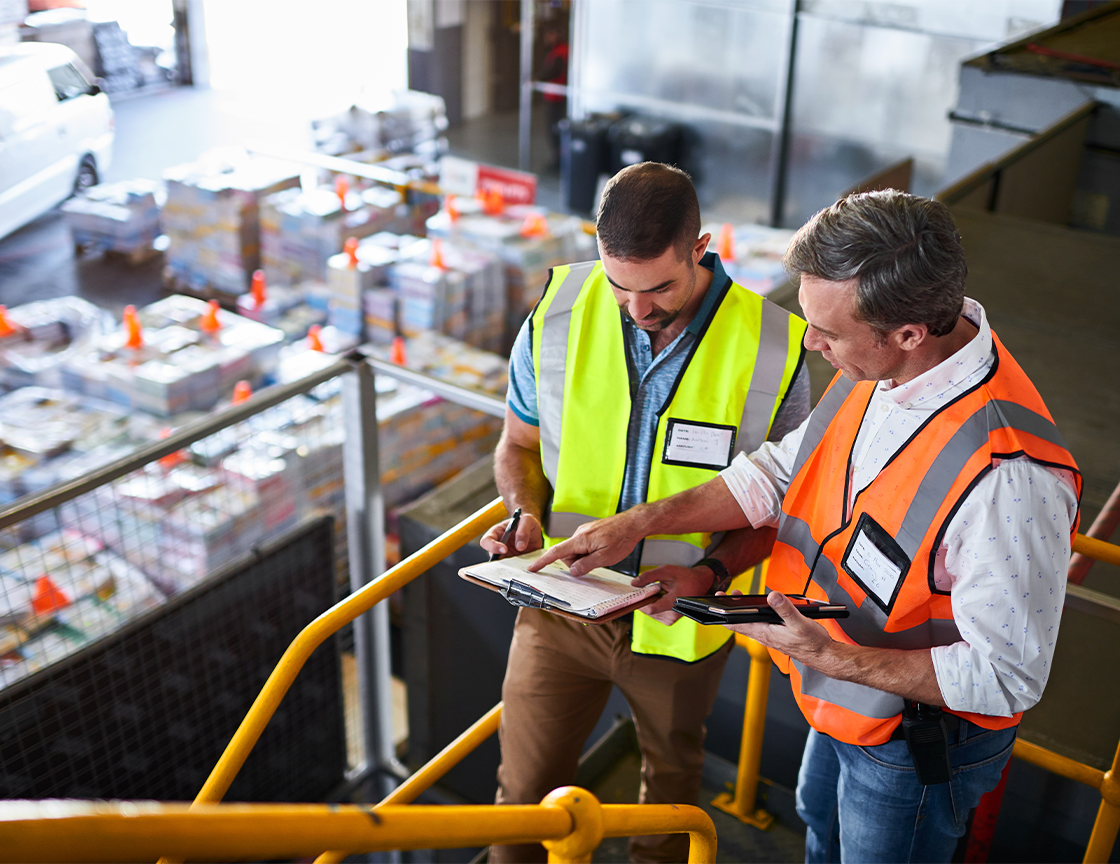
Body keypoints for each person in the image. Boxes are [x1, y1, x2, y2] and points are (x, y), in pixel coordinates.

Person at [534, 190, 1082, 863]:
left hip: (911, 742)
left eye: (827, 331)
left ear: (909, 333)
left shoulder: (1010, 479)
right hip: (845, 696)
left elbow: (1006, 676)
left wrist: (826, 655)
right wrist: (641, 523)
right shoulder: (882, 364)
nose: (809, 342)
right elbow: (777, 473)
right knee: (819, 827)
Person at [480, 161, 810, 864]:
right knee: (523, 803)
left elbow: (782, 509)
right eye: (618, 285)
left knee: (667, 812)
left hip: (678, 624)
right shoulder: (558, 312)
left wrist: (713, 573)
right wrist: (524, 513)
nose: (636, 308)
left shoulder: (777, 348)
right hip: (559, 606)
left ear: (700, 248)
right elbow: (518, 443)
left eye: (658, 287)